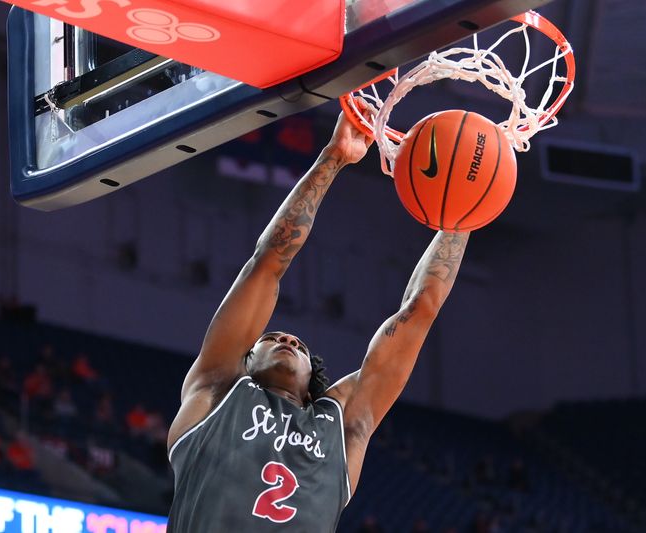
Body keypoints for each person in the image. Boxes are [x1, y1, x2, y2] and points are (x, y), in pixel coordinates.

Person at [166, 113, 469, 532]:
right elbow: (267, 263)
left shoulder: (342, 425)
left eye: (299, 344)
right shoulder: (217, 388)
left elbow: (419, 311)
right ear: (245, 360)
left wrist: (461, 216)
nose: (288, 338)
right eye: (271, 337)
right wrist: (333, 157)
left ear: (314, 376)